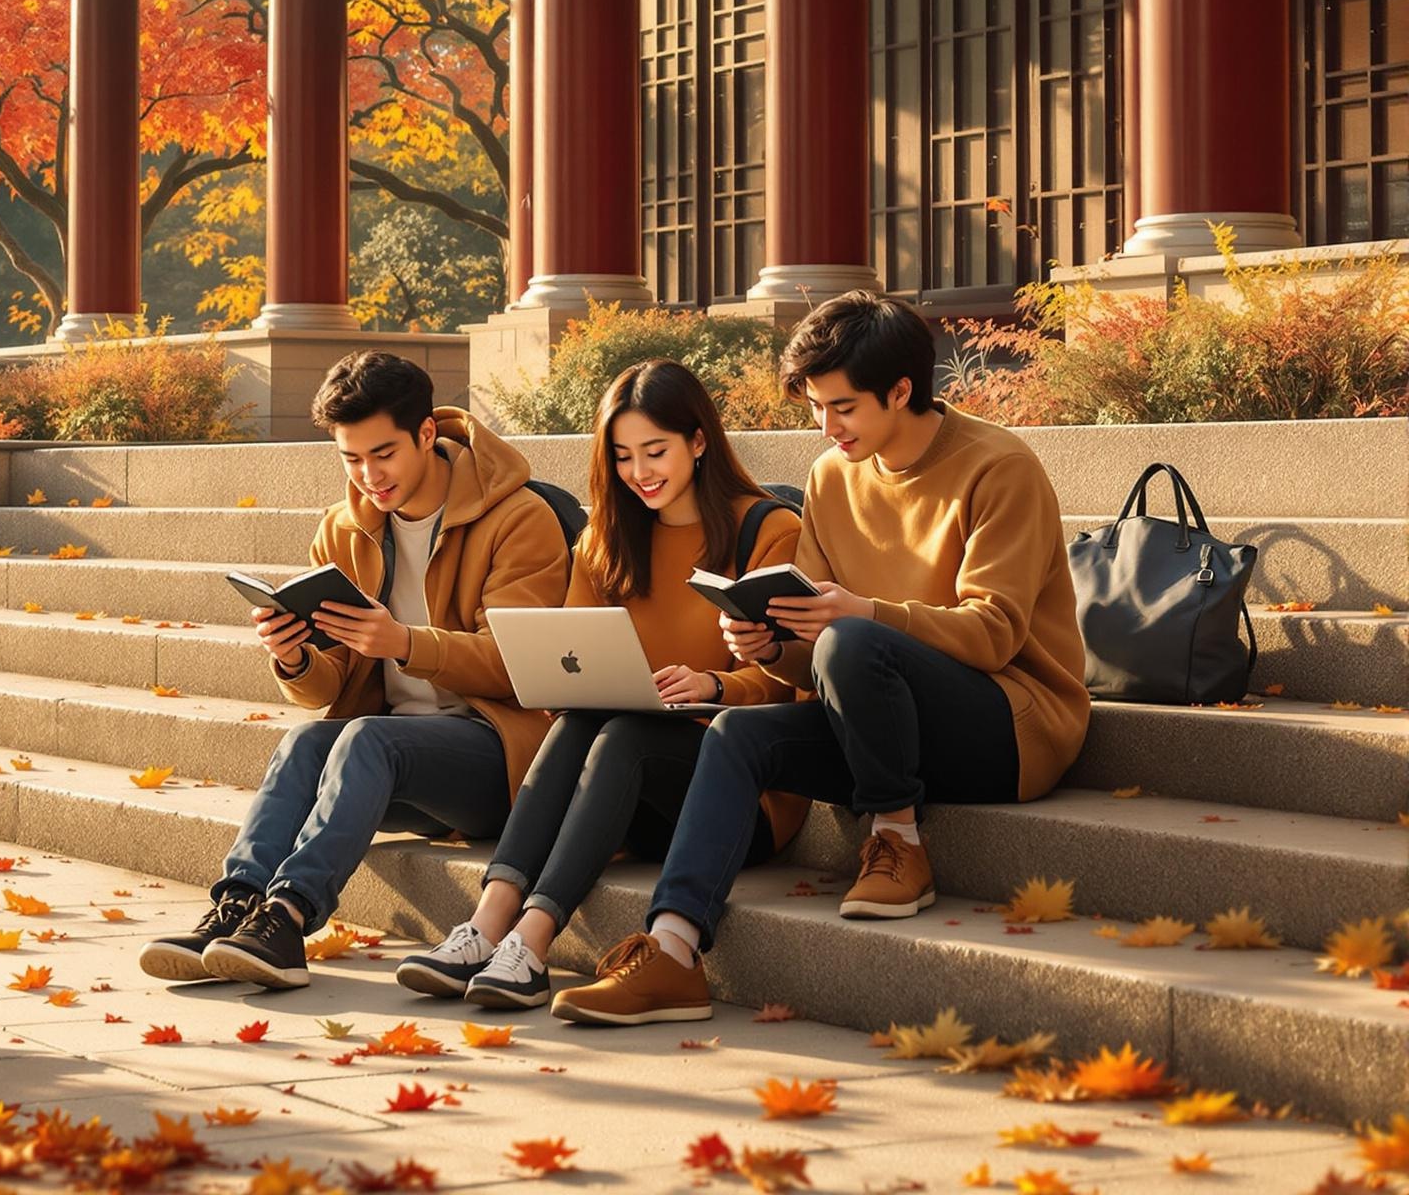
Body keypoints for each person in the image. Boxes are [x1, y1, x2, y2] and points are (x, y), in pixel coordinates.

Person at [574, 292, 1091, 1025]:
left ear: (902, 391)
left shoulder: (998, 466)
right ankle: (673, 949)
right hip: (874, 714)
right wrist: (769, 646)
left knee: (850, 638)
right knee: (734, 734)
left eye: (843, 407)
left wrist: (861, 613)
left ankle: (897, 839)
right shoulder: (832, 477)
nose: (826, 427)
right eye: (817, 406)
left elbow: (995, 634)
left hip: (1008, 724)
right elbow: (813, 646)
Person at [140, 351, 571, 992]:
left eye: (384, 453)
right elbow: (326, 689)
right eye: (351, 458)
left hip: (501, 756)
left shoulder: (518, 518)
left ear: (427, 432)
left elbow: (523, 668)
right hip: (390, 763)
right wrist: (294, 656)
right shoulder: (344, 530)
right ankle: (236, 908)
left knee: (369, 737)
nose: (369, 475)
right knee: (305, 741)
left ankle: (286, 918)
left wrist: (403, 642)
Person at [393, 360, 808, 1016]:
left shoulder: (767, 530)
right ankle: (488, 925)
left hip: (738, 797)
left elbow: (793, 678)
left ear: (699, 441)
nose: (639, 472)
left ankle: (530, 941)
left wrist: (714, 683)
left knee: (625, 734)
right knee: (588, 721)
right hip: (628, 788)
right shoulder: (606, 541)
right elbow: (571, 658)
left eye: (655, 451)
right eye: (622, 457)